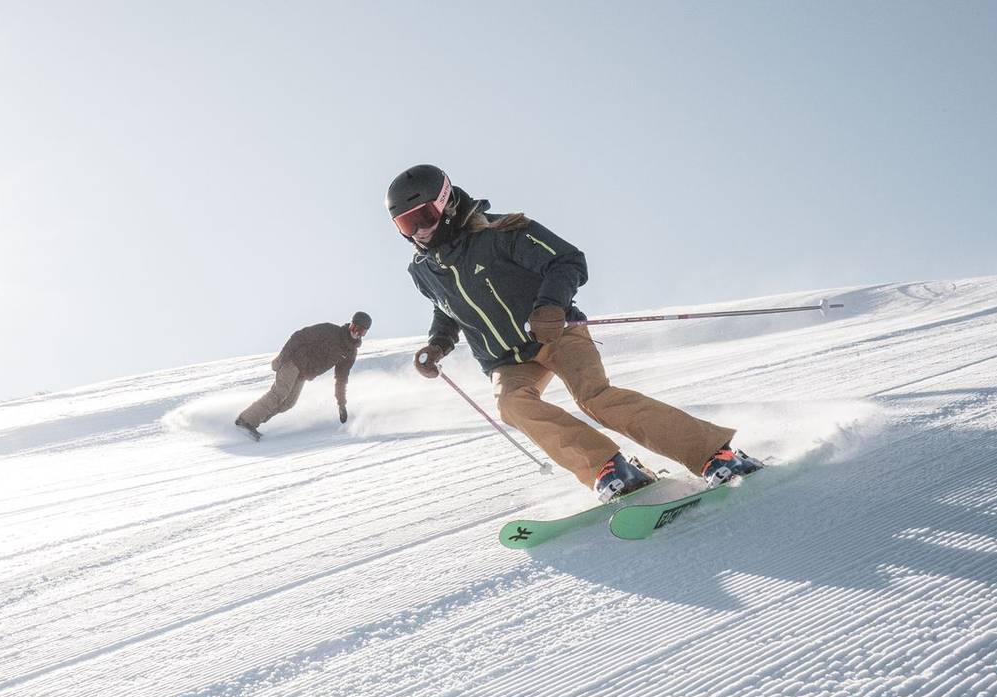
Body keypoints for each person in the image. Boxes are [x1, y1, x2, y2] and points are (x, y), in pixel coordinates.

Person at [386, 164, 763, 500]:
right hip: (505, 359)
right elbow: (447, 308)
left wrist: (549, 305)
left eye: (425, 216)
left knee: (596, 398)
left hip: (555, 333)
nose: (419, 231)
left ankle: (715, 453)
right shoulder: (423, 270)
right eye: (406, 224)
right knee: (512, 404)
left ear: (447, 202)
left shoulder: (502, 232)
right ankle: (610, 468)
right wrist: (438, 344)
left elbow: (567, 260)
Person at [234, 311, 371, 441]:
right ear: (350, 324)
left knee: (288, 403)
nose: (356, 333)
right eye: (354, 327)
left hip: (303, 375)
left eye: (361, 331)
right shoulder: (330, 331)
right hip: (294, 361)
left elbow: (341, 379)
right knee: (279, 394)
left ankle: (253, 423)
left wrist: (341, 405)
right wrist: (282, 358)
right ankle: (245, 421)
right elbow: (299, 336)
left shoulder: (350, 353)